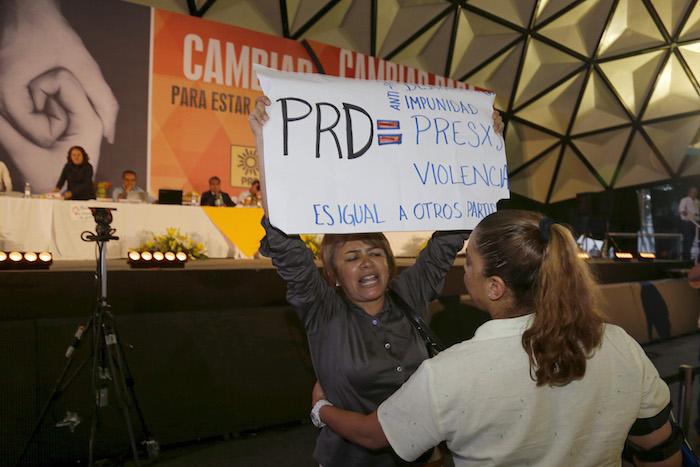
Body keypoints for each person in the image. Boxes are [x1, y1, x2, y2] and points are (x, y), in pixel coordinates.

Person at [312, 210, 681, 467]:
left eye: (468, 261)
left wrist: (322, 409)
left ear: (494, 287)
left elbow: (375, 436)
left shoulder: (447, 374)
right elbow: (660, 450)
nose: (464, 269)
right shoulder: (620, 345)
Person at [250, 95, 505, 466]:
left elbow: (452, 231)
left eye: (375, 252)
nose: (367, 262)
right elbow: (283, 240)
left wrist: (486, 145)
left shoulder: (409, 292)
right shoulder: (323, 310)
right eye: (352, 257)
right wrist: (264, 142)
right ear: (333, 275)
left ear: (388, 261)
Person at [0, 0, 118, 194]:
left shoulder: (87, 168)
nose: (75, 157)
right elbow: (60, 182)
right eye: (73, 154)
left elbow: (81, 185)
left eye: (76, 154)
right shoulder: (67, 166)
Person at [679, 187, 699, 261]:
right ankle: (686, 258)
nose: (694, 194)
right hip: (687, 222)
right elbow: (682, 210)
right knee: (688, 240)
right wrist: (687, 214)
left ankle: (693, 258)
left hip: (695, 223)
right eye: (693, 192)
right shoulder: (685, 200)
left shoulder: (697, 201)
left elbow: (697, 212)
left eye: (695, 192)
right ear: (689, 193)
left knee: (694, 240)